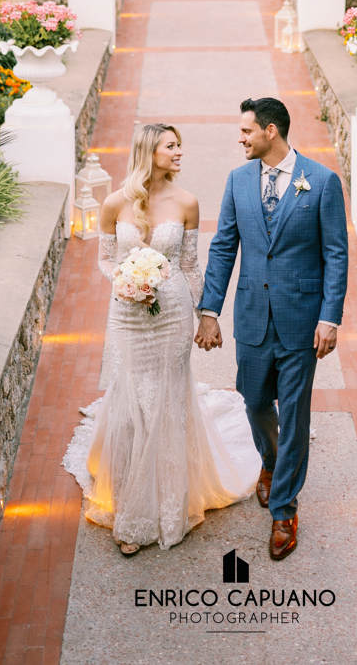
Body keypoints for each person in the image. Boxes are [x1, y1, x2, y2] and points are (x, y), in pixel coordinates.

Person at [63, 123, 259, 555]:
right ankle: (127, 498)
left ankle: (166, 505)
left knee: (167, 398)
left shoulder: (187, 202)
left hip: (171, 315)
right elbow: (105, 260)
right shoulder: (115, 203)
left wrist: (206, 316)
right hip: (128, 314)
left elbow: (189, 265)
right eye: (172, 146)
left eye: (179, 146)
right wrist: (126, 280)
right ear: (150, 151)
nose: (179, 152)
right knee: (131, 400)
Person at [196, 96, 349, 562]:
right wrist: (209, 310)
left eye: (246, 131)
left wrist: (330, 317)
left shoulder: (321, 182)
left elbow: (336, 254)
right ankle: (271, 459)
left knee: (295, 412)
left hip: (302, 320)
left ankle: (284, 508)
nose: (240, 139)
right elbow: (224, 246)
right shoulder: (238, 180)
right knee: (254, 400)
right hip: (252, 316)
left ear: (270, 131)